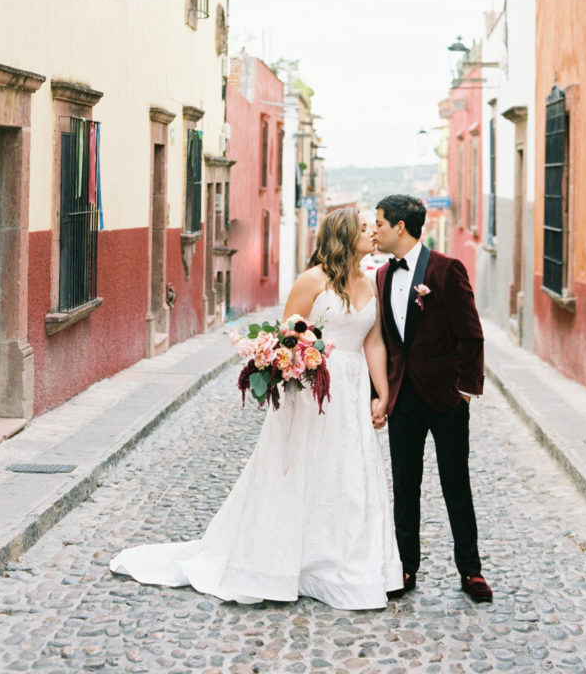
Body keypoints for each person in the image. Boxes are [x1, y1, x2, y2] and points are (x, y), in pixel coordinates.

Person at [110, 208, 403, 609]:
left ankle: (341, 563)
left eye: (374, 228)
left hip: (351, 391)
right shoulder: (312, 281)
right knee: (301, 468)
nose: (373, 234)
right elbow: (288, 336)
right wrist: (299, 366)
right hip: (313, 391)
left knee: (348, 473)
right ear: (344, 235)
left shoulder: (369, 283)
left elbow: (374, 342)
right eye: (366, 228)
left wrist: (381, 394)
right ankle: (288, 561)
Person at [371, 194, 493, 603]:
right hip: (403, 398)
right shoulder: (382, 276)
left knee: (455, 484)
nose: (376, 231)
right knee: (405, 485)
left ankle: (471, 571)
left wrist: (465, 391)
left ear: (400, 227)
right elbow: (386, 342)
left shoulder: (445, 270)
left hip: (446, 400)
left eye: (380, 224)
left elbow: (470, 333)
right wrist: (381, 394)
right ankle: (406, 566)